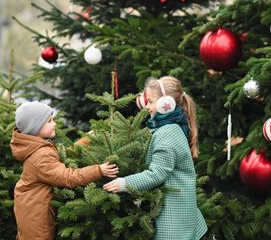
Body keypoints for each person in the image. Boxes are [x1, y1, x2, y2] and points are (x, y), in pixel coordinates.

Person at [103, 76, 208, 240]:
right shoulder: (168, 128)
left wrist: (124, 183)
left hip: (174, 220)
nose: (147, 106)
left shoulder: (167, 135)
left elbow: (157, 174)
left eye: (151, 101)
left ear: (166, 104)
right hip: (178, 211)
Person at [10, 101, 119, 240]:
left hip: (30, 207)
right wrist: (98, 170)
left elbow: (60, 158)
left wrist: (86, 140)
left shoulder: (38, 147)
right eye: (49, 121)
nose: (54, 123)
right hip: (35, 217)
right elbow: (67, 177)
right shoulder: (40, 156)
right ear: (35, 128)